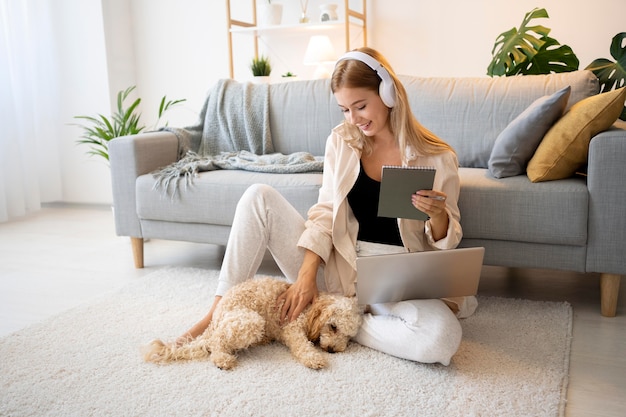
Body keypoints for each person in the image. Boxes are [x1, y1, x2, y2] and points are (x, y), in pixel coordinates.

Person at [177, 47, 476, 365]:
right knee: (257, 197)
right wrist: (306, 275)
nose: (354, 119)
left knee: (441, 340)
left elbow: (448, 240)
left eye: (360, 106)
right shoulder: (342, 141)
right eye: (345, 110)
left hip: (396, 283)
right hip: (336, 270)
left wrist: (438, 215)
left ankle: (342, 323)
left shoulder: (438, 156)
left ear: (388, 93)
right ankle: (217, 313)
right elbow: (325, 213)